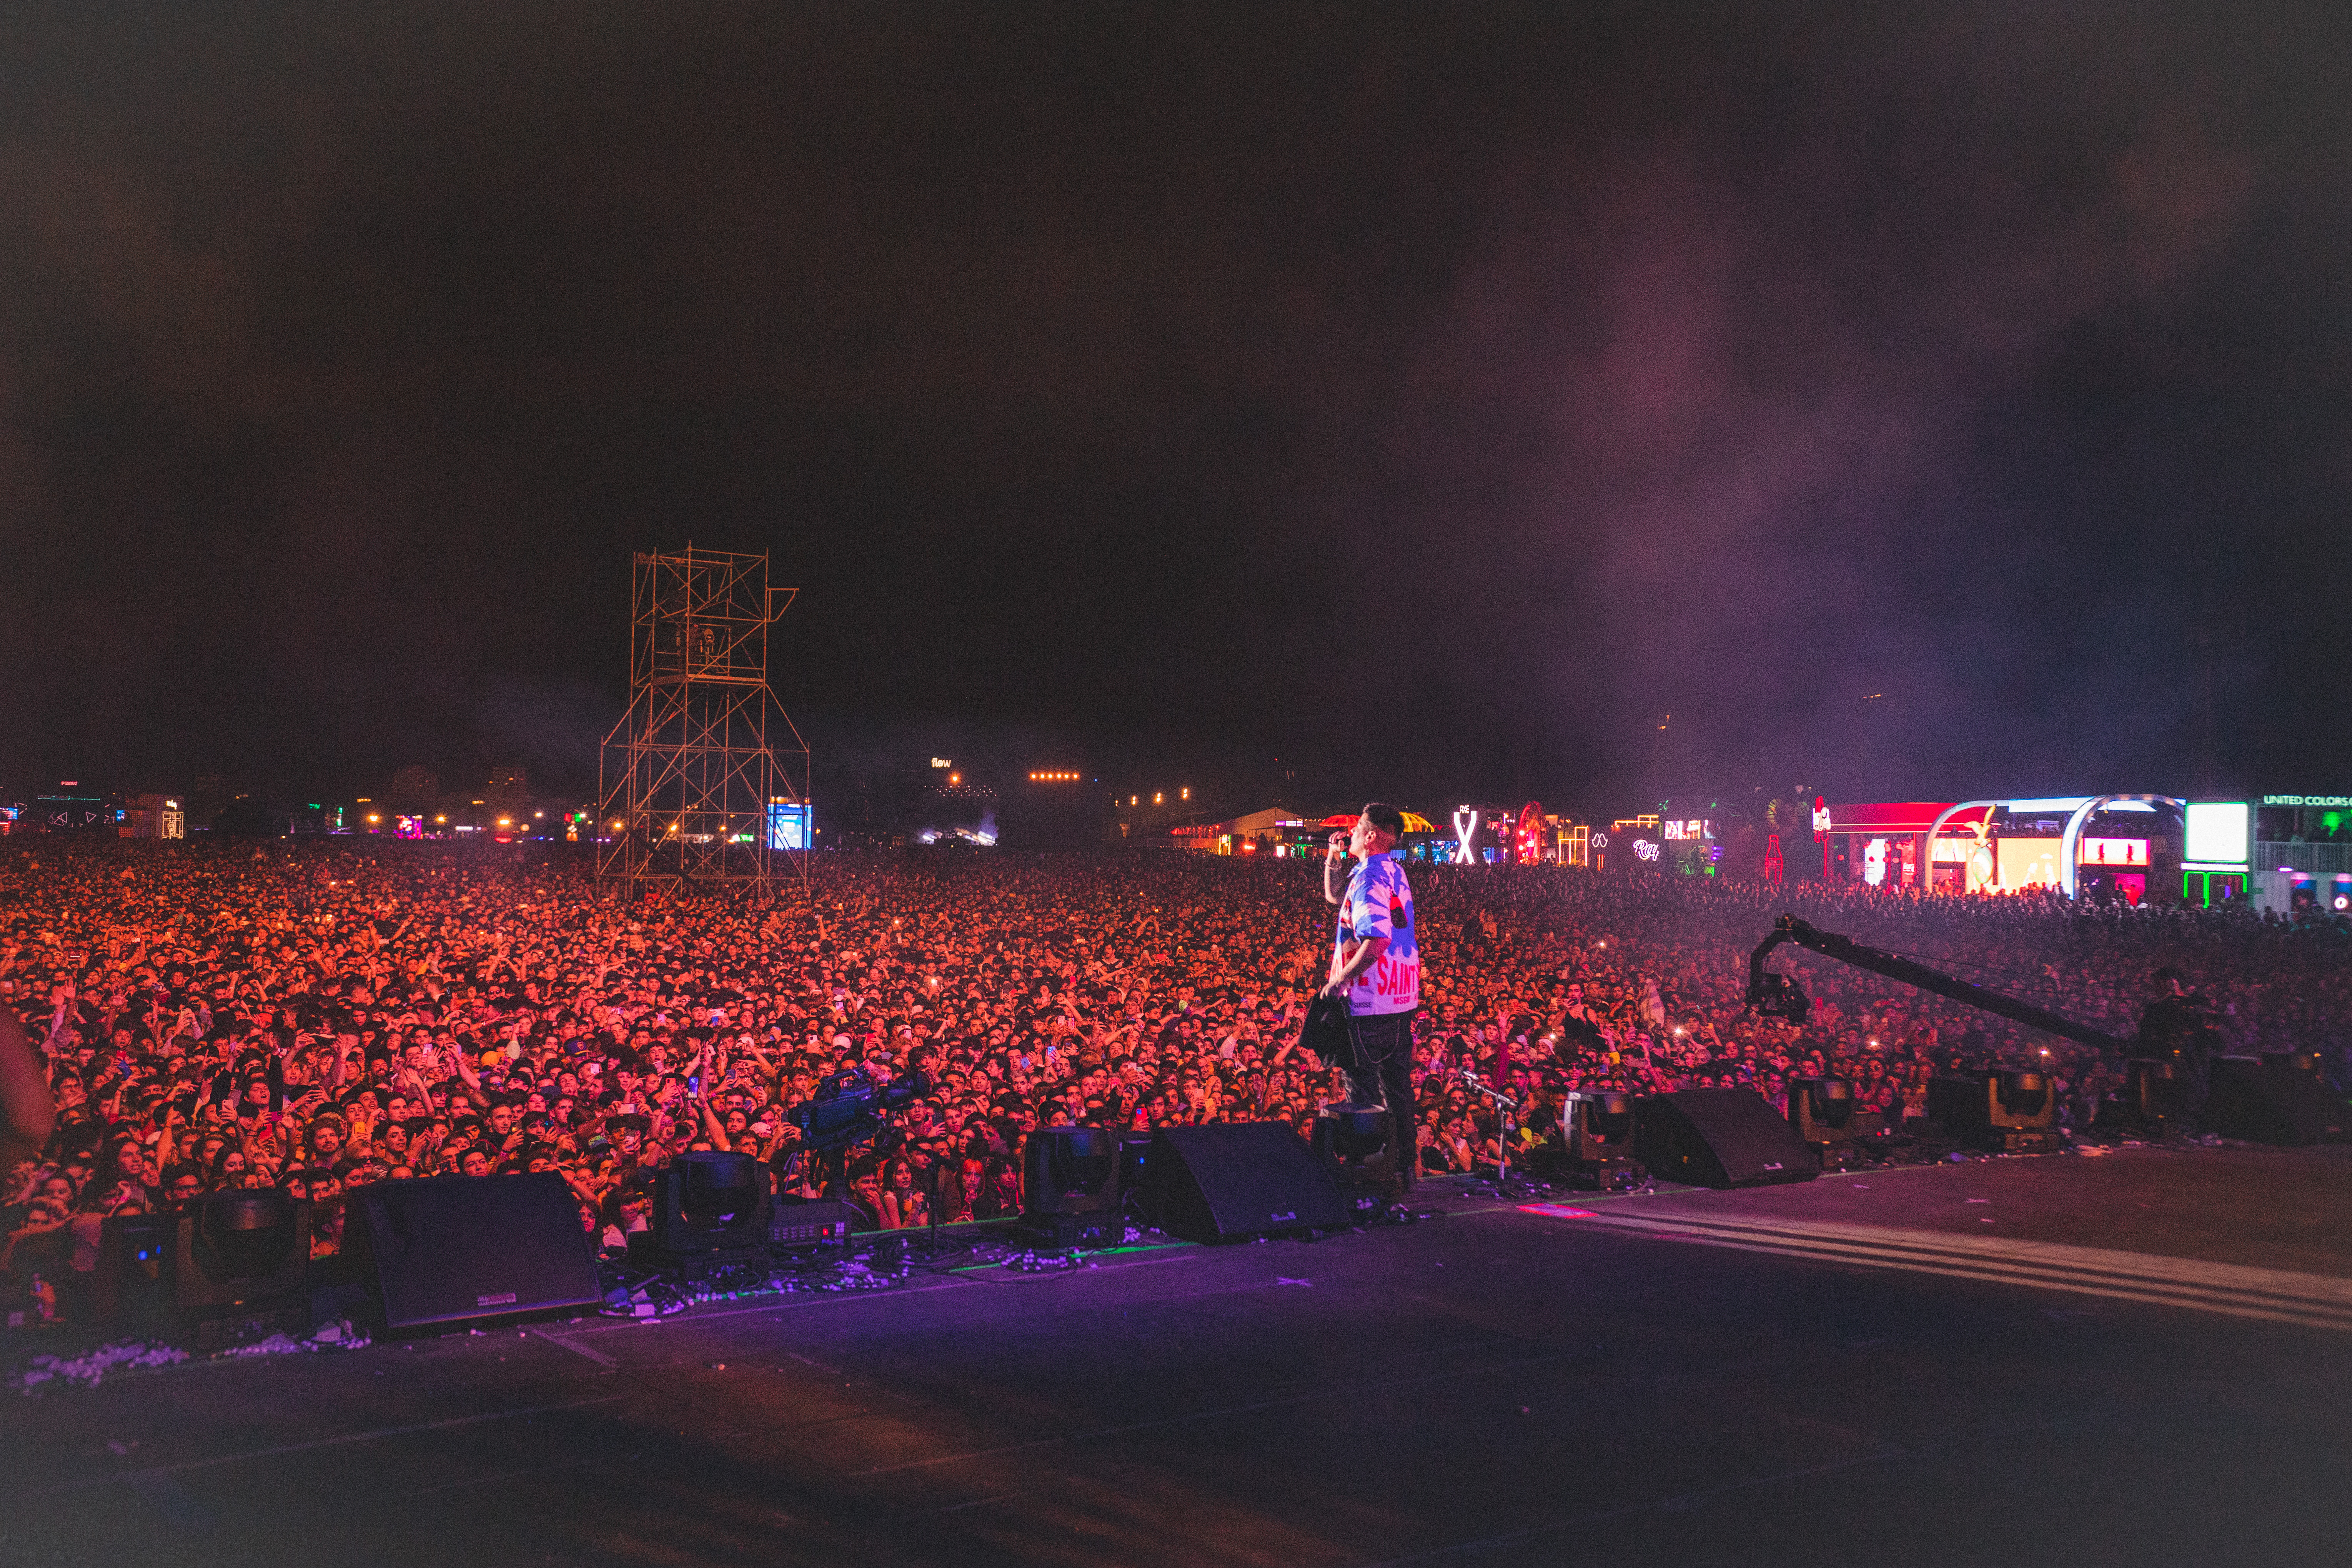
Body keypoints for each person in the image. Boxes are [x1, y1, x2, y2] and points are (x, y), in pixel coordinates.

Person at [1322, 802, 1422, 1195]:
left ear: (1370, 835)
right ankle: (1402, 1170)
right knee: (1397, 1090)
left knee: (1361, 1091)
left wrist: (1340, 981)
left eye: (1358, 825)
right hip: (1400, 1000)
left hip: (1367, 1003)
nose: (1351, 830)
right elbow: (1337, 900)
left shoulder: (1368, 880)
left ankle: (1365, 1176)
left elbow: (1378, 938)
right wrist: (1333, 857)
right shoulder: (1393, 871)